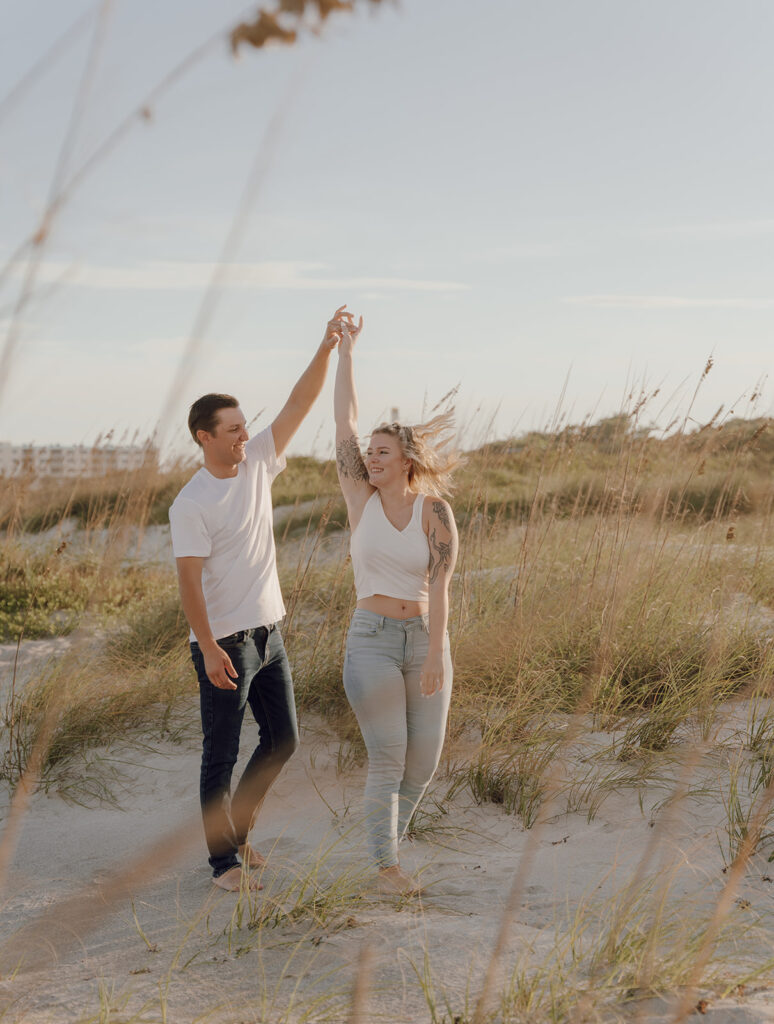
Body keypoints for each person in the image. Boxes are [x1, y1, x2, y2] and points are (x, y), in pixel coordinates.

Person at [169, 308, 346, 891]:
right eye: (233, 430)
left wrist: (325, 347)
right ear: (204, 436)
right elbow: (189, 582)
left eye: (246, 427)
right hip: (225, 645)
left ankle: (240, 834)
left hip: (271, 635)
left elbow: (299, 403)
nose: (246, 436)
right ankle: (222, 864)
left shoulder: (258, 464)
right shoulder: (191, 503)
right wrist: (211, 647)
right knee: (219, 755)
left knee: (284, 739)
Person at [332, 312, 460, 895]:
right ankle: (386, 870)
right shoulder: (359, 497)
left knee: (423, 765)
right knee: (387, 758)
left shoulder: (434, 512)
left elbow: (440, 586)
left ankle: (387, 849)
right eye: (370, 452)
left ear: (406, 459)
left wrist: (435, 652)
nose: (371, 458)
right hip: (371, 641)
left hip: (425, 642)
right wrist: (347, 352)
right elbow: (344, 424)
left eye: (382, 451)